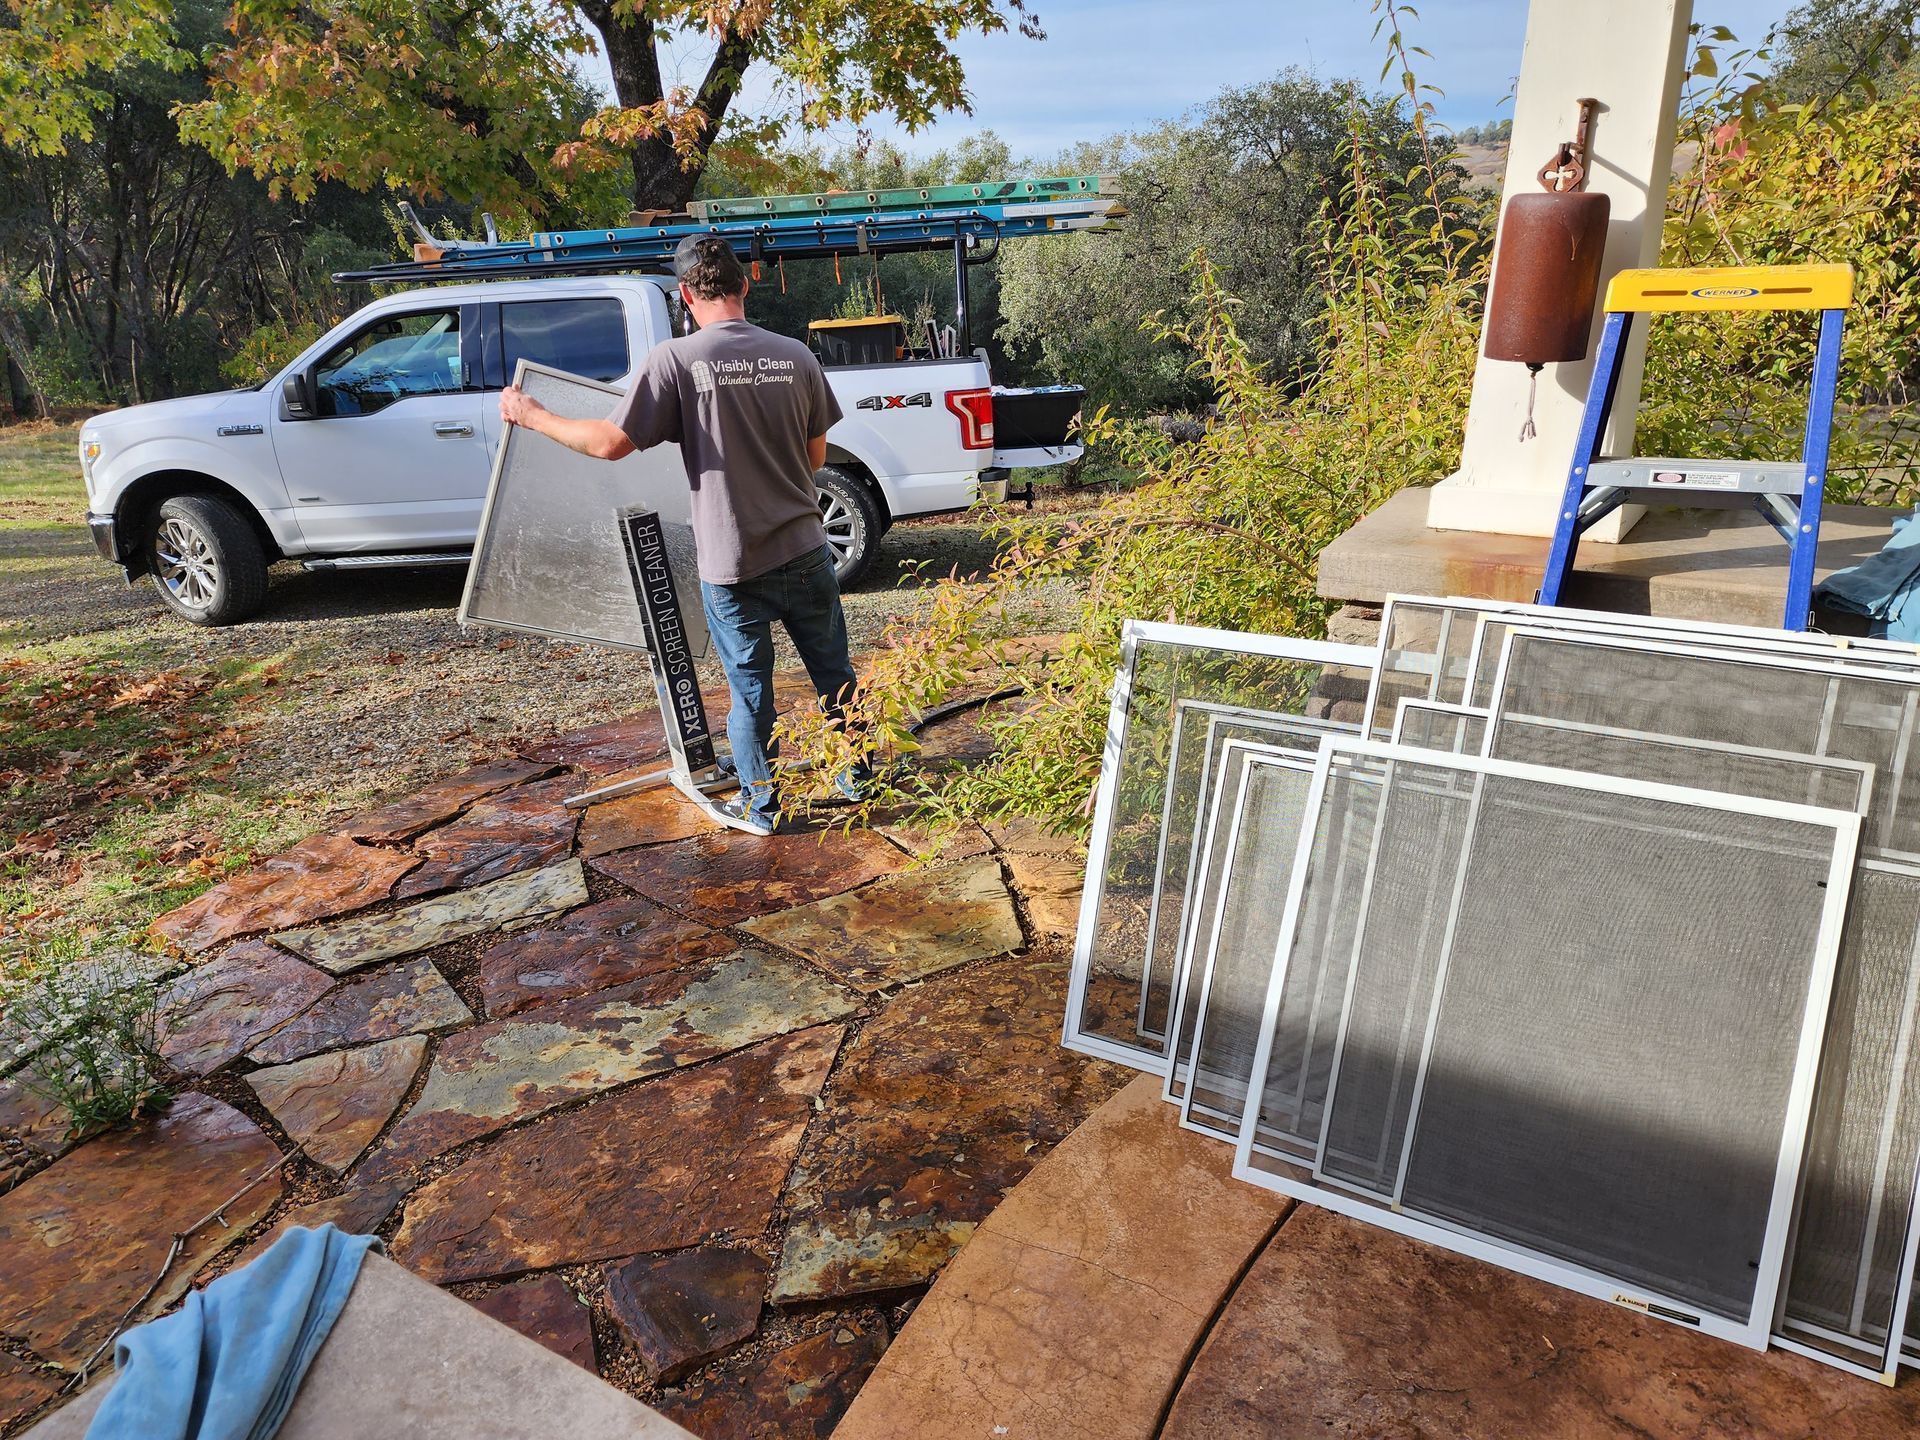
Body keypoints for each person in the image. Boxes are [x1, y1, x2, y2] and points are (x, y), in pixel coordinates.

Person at [498, 234, 859, 836]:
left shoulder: (676, 361)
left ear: (686, 294)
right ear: (745, 287)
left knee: (750, 693)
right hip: (804, 548)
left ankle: (763, 809)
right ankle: (860, 781)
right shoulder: (796, 355)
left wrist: (530, 414)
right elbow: (815, 454)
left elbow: (610, 444)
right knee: (834, 674)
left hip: (733, 560)